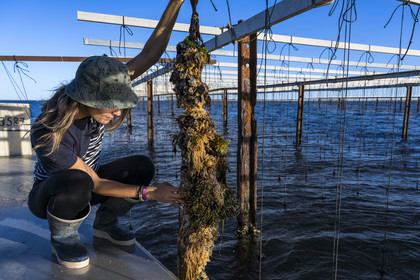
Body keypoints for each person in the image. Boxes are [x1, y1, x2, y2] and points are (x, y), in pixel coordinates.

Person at [28, 0, 185, 269]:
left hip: (90, 183)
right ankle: (63, 239)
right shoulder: (48, 130)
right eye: (111, 105)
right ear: (86, 98)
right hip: (54, 195)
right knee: (79, 181)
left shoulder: (100, 95)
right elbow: (95, 183)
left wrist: (176, 3)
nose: (117, 112)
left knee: (141, 166)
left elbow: (150, 54)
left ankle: (106, 225)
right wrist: (148, 193)